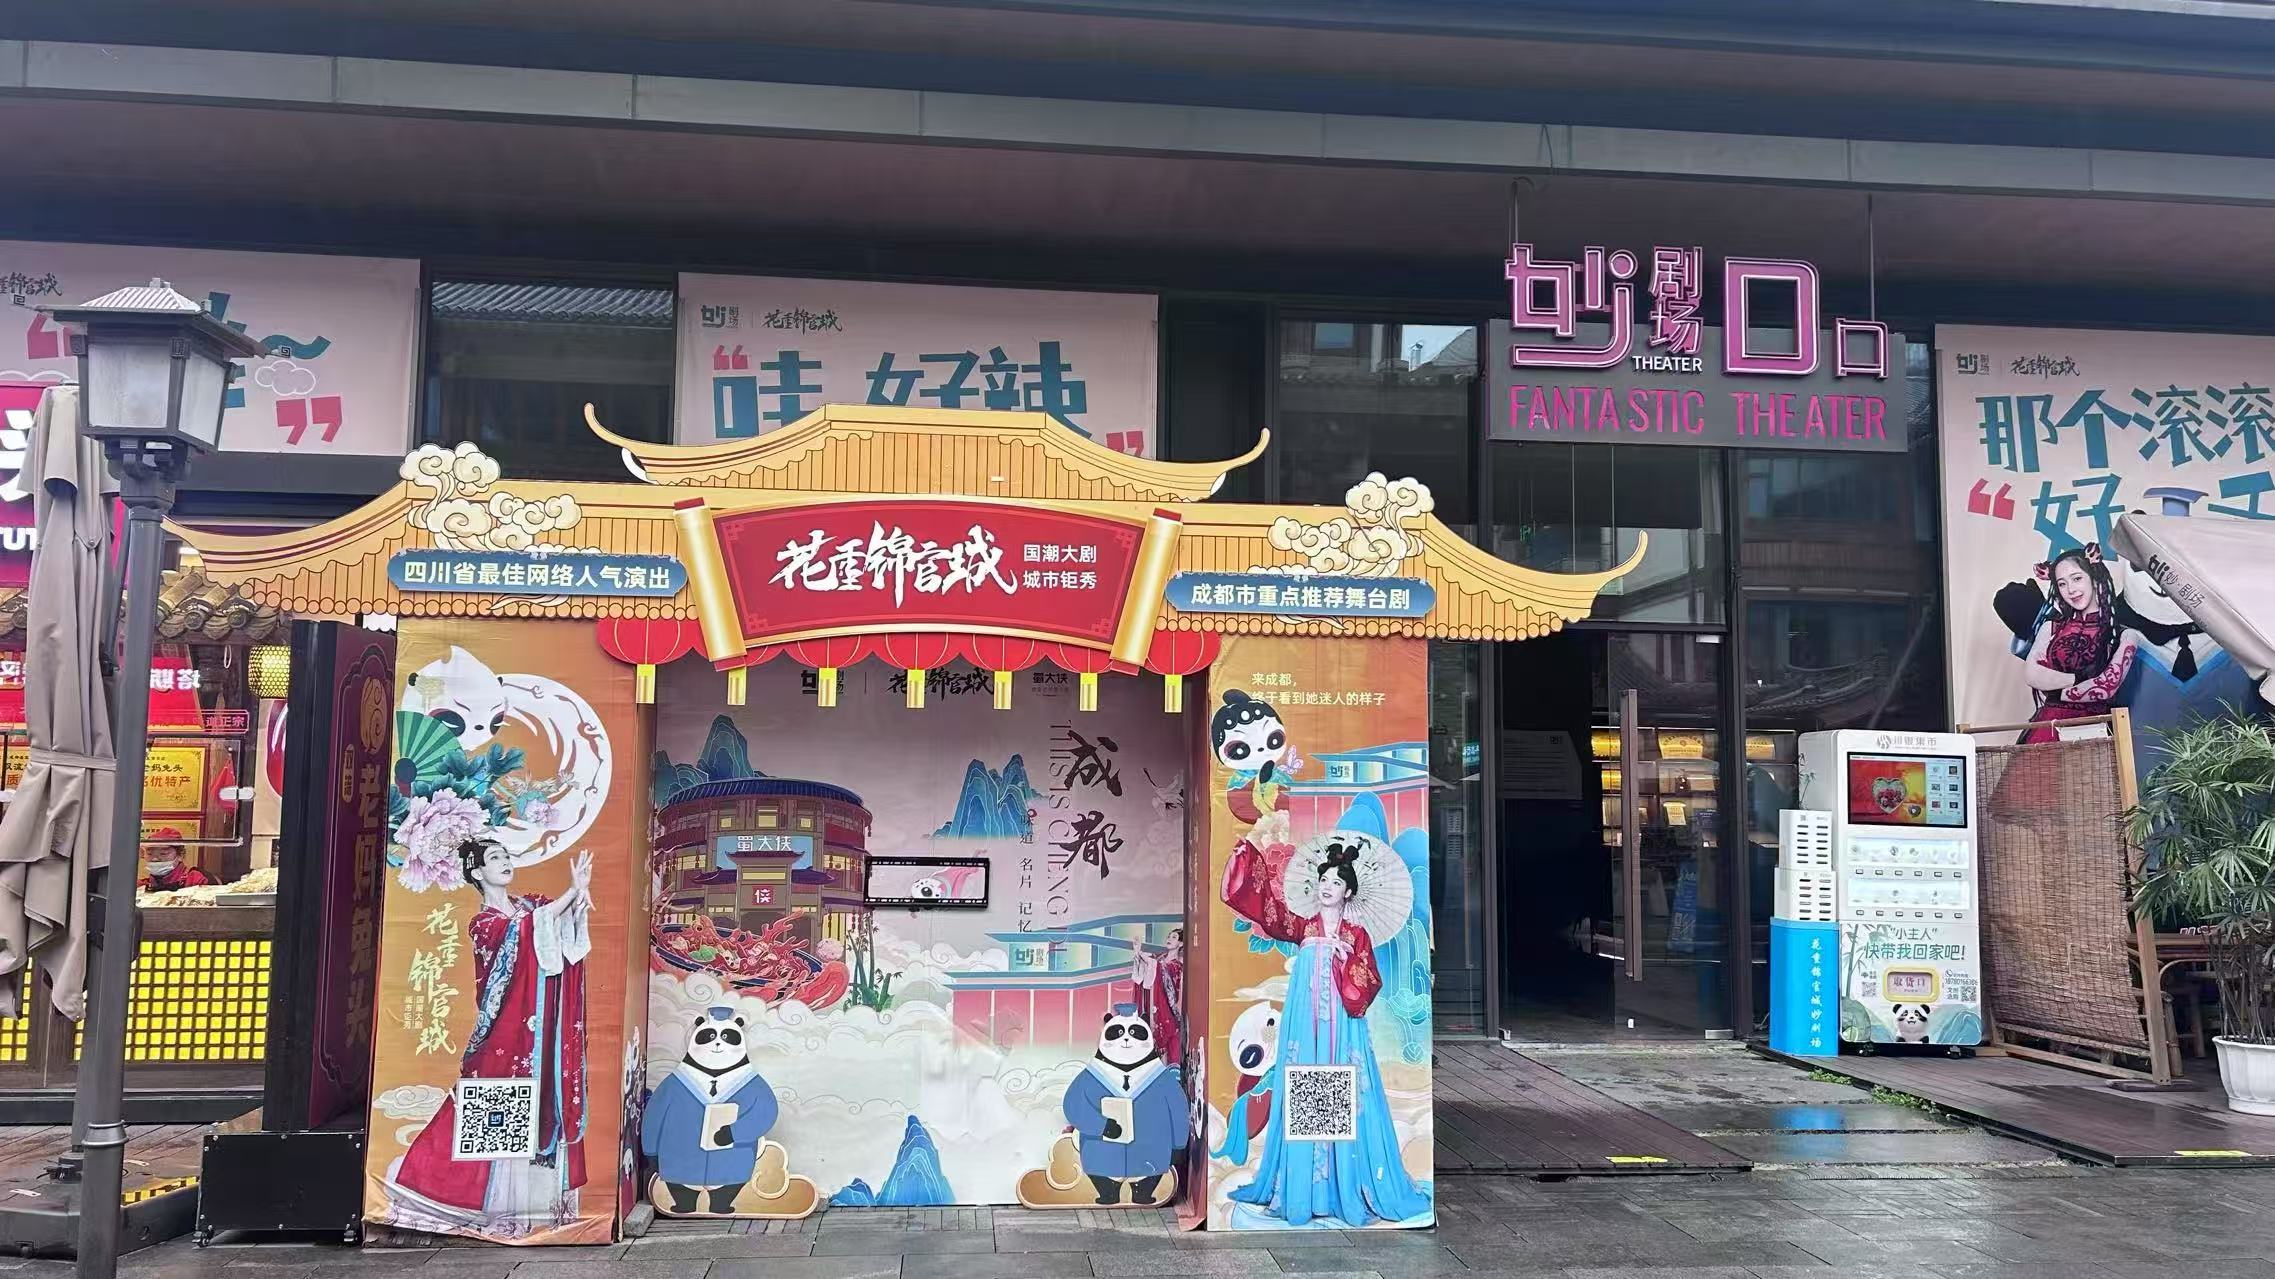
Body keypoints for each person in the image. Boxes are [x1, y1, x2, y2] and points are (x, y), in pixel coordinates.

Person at [1219, 834, 1431, 1227]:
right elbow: (1268, 911)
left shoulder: (1356, 936)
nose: (1327, 887)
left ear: (1348, 891)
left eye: (1335, 882)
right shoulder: (1302, 927)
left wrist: (1346, 961)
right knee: (1305, 1084)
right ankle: (1307, 1189)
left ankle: (1339, 1184)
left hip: (1342, 1028)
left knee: (1341, 1088)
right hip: (1306, 1027)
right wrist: (1246, 859)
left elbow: (1370, 982)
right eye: (1323, 880)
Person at [389, 837, 595, 1234]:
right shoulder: (484, 923)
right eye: (494, 858)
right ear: (477, 872)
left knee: (544, 1095)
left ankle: (537, 1208)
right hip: (508, 1032)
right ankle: (474, 1202)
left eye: (506, 855)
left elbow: (554, 926)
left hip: (544, 1027)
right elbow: (525, 931)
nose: (505, 862)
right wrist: (572, 892)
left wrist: (576, 898)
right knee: (499, 1101)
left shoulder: (530, 905)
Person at [2018, 544, 2139, 743]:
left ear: (2094, 578)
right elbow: (2032, 674)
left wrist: (2053, 690)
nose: (2071, 590)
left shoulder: (2125, 635)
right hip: (2048, 726)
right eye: (2062, 584)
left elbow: (2106, 687)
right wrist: (2079, 679)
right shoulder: (2050, 627)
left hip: (2095, 729)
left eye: (2077, 579)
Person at [138, 844, 214, 893]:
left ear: (180, 855)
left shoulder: (196, 879)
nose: (155, 859)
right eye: (150, 854)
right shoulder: (140, 885)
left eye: (163, 854)